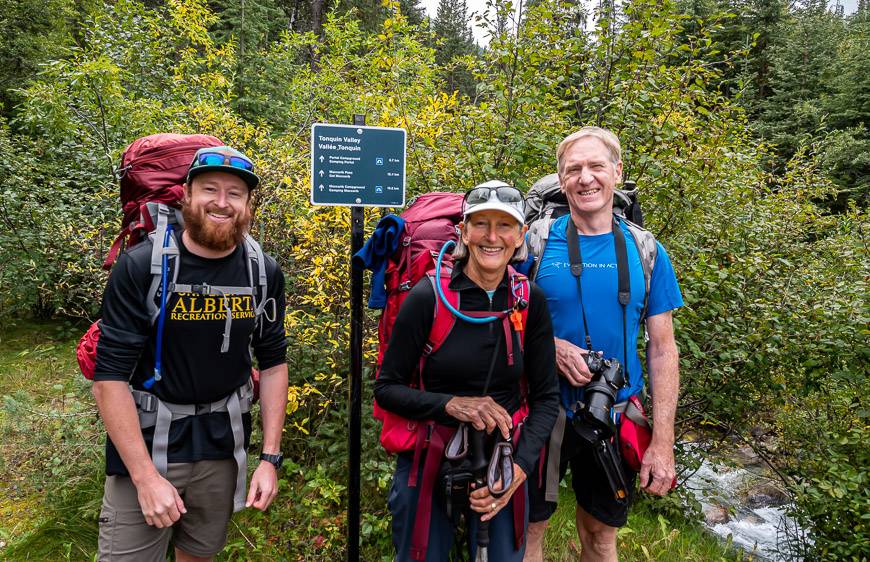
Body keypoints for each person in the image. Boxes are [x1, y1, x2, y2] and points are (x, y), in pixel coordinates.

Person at [92, 145, 289, 562]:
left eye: (235, 193)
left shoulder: (263, 271)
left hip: (221, 447)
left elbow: (272, 362)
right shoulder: (142, 267)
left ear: (249, 203)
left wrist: (270, 458)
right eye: (210, 189)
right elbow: (108, 378)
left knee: (199, 555)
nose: (222, 202)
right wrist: (145, 479)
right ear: (186, 194)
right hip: (146, 445)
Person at [374, 181, 559, 562]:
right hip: (429, 451)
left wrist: (519, 471)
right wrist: (453, 405)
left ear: (521, 235)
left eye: (505, 226)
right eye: (481, 224)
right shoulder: (428, 297)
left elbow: (546, 399)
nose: (492, 237)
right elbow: (387, 388)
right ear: (463, 231)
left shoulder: (529, 301)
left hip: (503, 458)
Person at [523, 127, 683, 562]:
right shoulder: (532, 244)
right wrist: (550, 345)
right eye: (573, 169)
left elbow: (663, 349)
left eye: (595, 166)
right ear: (561, 179)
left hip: (611, 412)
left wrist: (662, 443)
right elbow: (501, 320)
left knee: (600, 534)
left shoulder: (646, 249)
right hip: (540, 408)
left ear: (616, 172)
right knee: (527, 529)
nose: (585, 178)